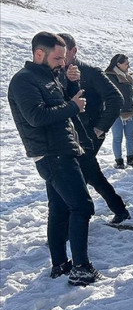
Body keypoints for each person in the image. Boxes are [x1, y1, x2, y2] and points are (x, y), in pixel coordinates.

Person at [7, 32, 102, 286]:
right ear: (39, 54)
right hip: (53, 153)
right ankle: (81, 268)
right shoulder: (24, 81)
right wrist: (72, 105)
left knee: (59, 208)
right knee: (82, 207)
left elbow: (62, 104)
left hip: (62, 148)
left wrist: (71, 85)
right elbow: (36, 117)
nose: (63, 62)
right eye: (58, 57)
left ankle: (60, 264)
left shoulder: (48, 76)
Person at [57, 33, 131, 224]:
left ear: (73, 51)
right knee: (90, 173)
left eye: (63, 52)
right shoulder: (55, 73)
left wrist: (100, 128)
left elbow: (116, 99)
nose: (59, 56)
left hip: (89, 133)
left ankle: (76, 218)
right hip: (66, 133)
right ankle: (118, 209)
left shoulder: (91, 72)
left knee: (78, 173)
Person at [105, 54, 133, 168]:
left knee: (130, 136)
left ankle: (130, 159)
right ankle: (119, 161)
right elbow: (105, 95)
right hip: (116, 113)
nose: (128, 66)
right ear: (118, 64)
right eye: (126, 64)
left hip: (130, 111)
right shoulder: (109, 77)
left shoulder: (130, 76)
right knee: (117, 137)